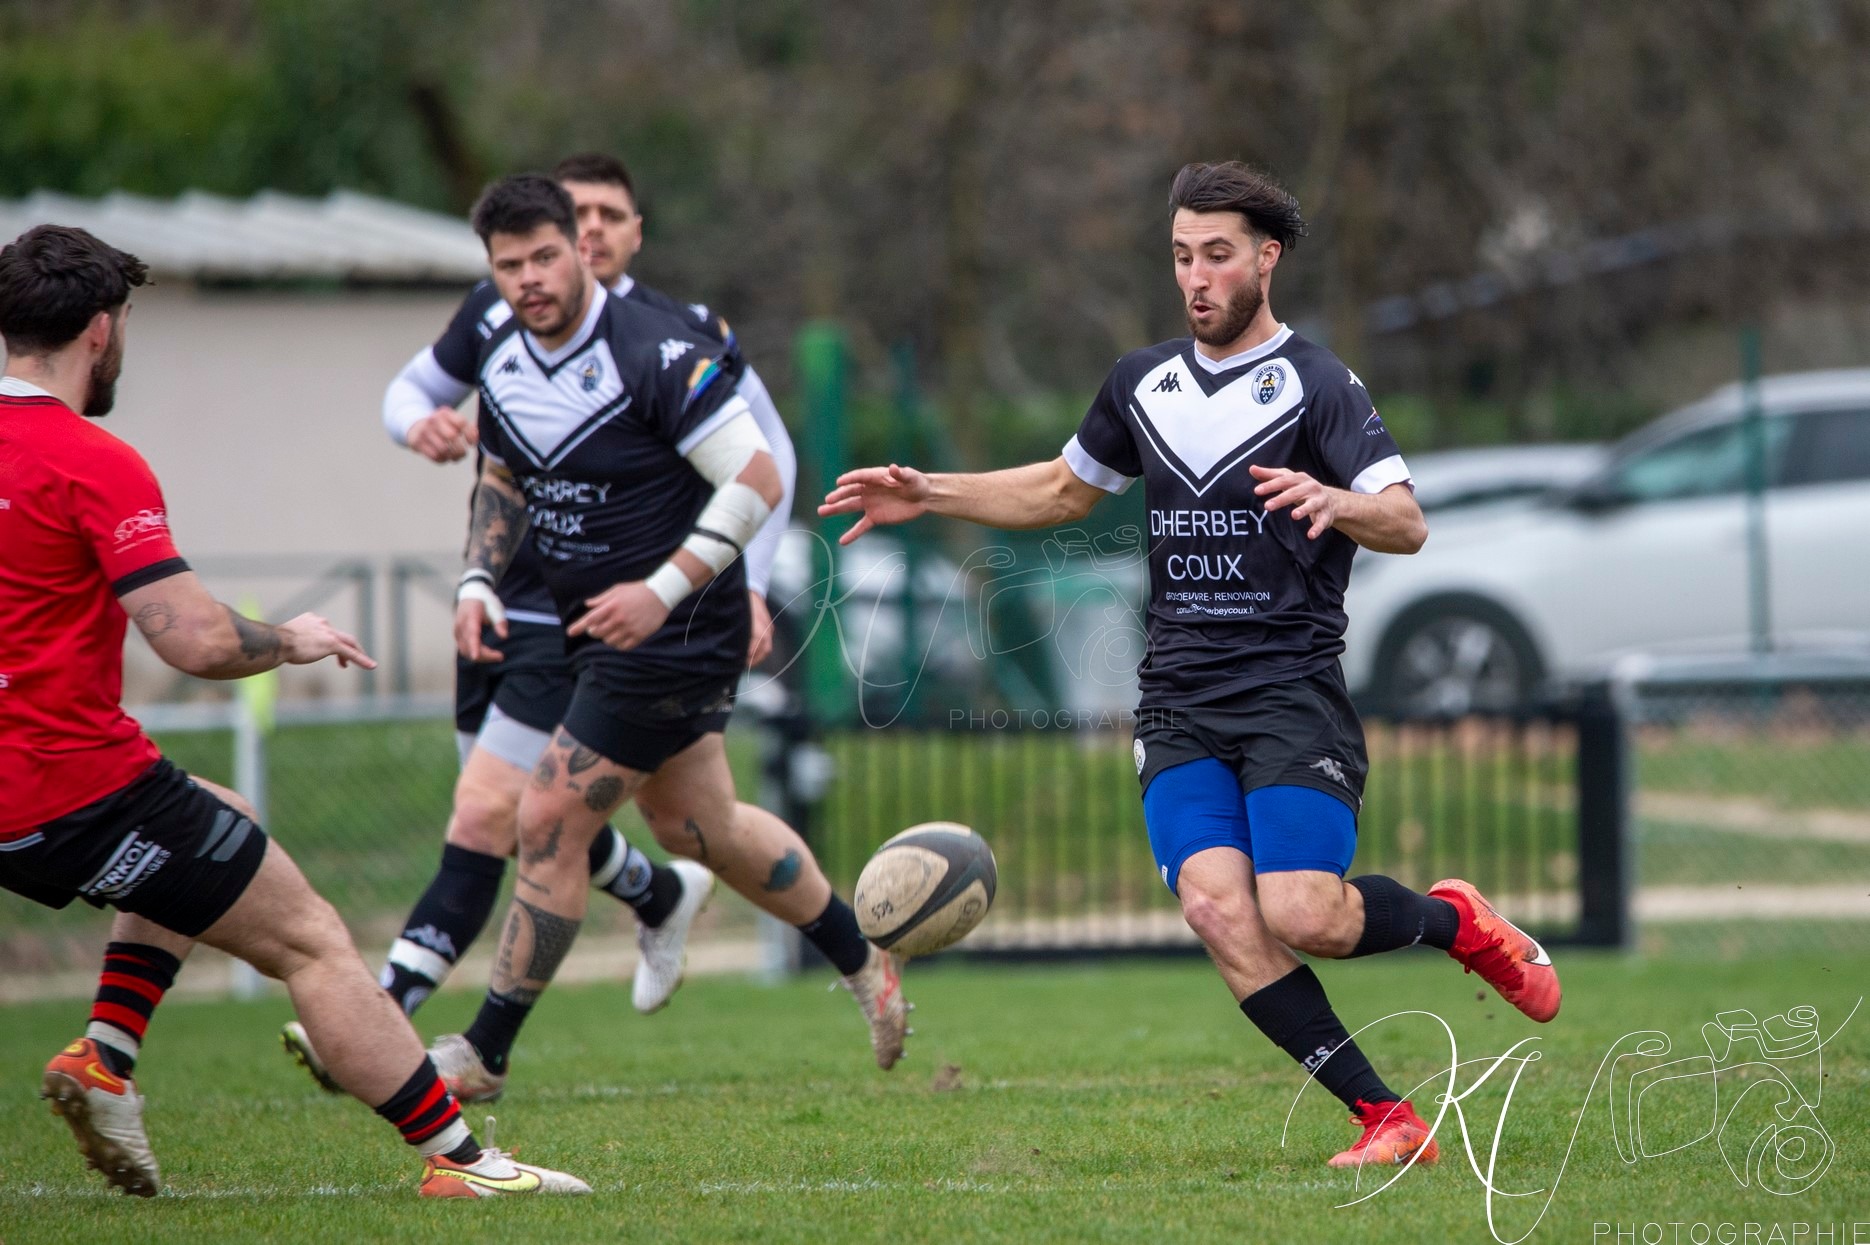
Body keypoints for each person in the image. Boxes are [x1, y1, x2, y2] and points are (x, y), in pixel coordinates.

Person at [818, 162, 1561, 1169]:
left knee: (1304, 913)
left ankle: (1452, 920)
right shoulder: (1142, 382)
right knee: (1217, 909)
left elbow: (1407, 521)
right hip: (1176, 701)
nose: (1197, 276)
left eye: (1217, 254)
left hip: (1289, 692)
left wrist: (1338, 502)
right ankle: (1385, 1118)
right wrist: (929, 493)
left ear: (1267, 257)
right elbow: (1058, 491)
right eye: (1181, 257)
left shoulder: (1320, 385)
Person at [0, 224, 585, 1198]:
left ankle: (106, 1057)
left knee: (222, 817)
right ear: (102, 331)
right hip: (71, 785)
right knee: (310, 938)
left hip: (25, 801)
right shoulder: (91, 461)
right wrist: (290, 637)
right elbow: (192, 638)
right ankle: (461, 1162)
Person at [425, 174, 906, 1104]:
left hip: (677, 629)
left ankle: (483, 1051)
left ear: (582, 247)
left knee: (548, 816)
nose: (529, 279)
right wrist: (480, 575)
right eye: (507, 265)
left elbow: (757, 475)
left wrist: (658, 591)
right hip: (596, 628)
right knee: (701, 828)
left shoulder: (657, 350)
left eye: (545, 257)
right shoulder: (504, 354)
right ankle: (865, 962)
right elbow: (503, 473)